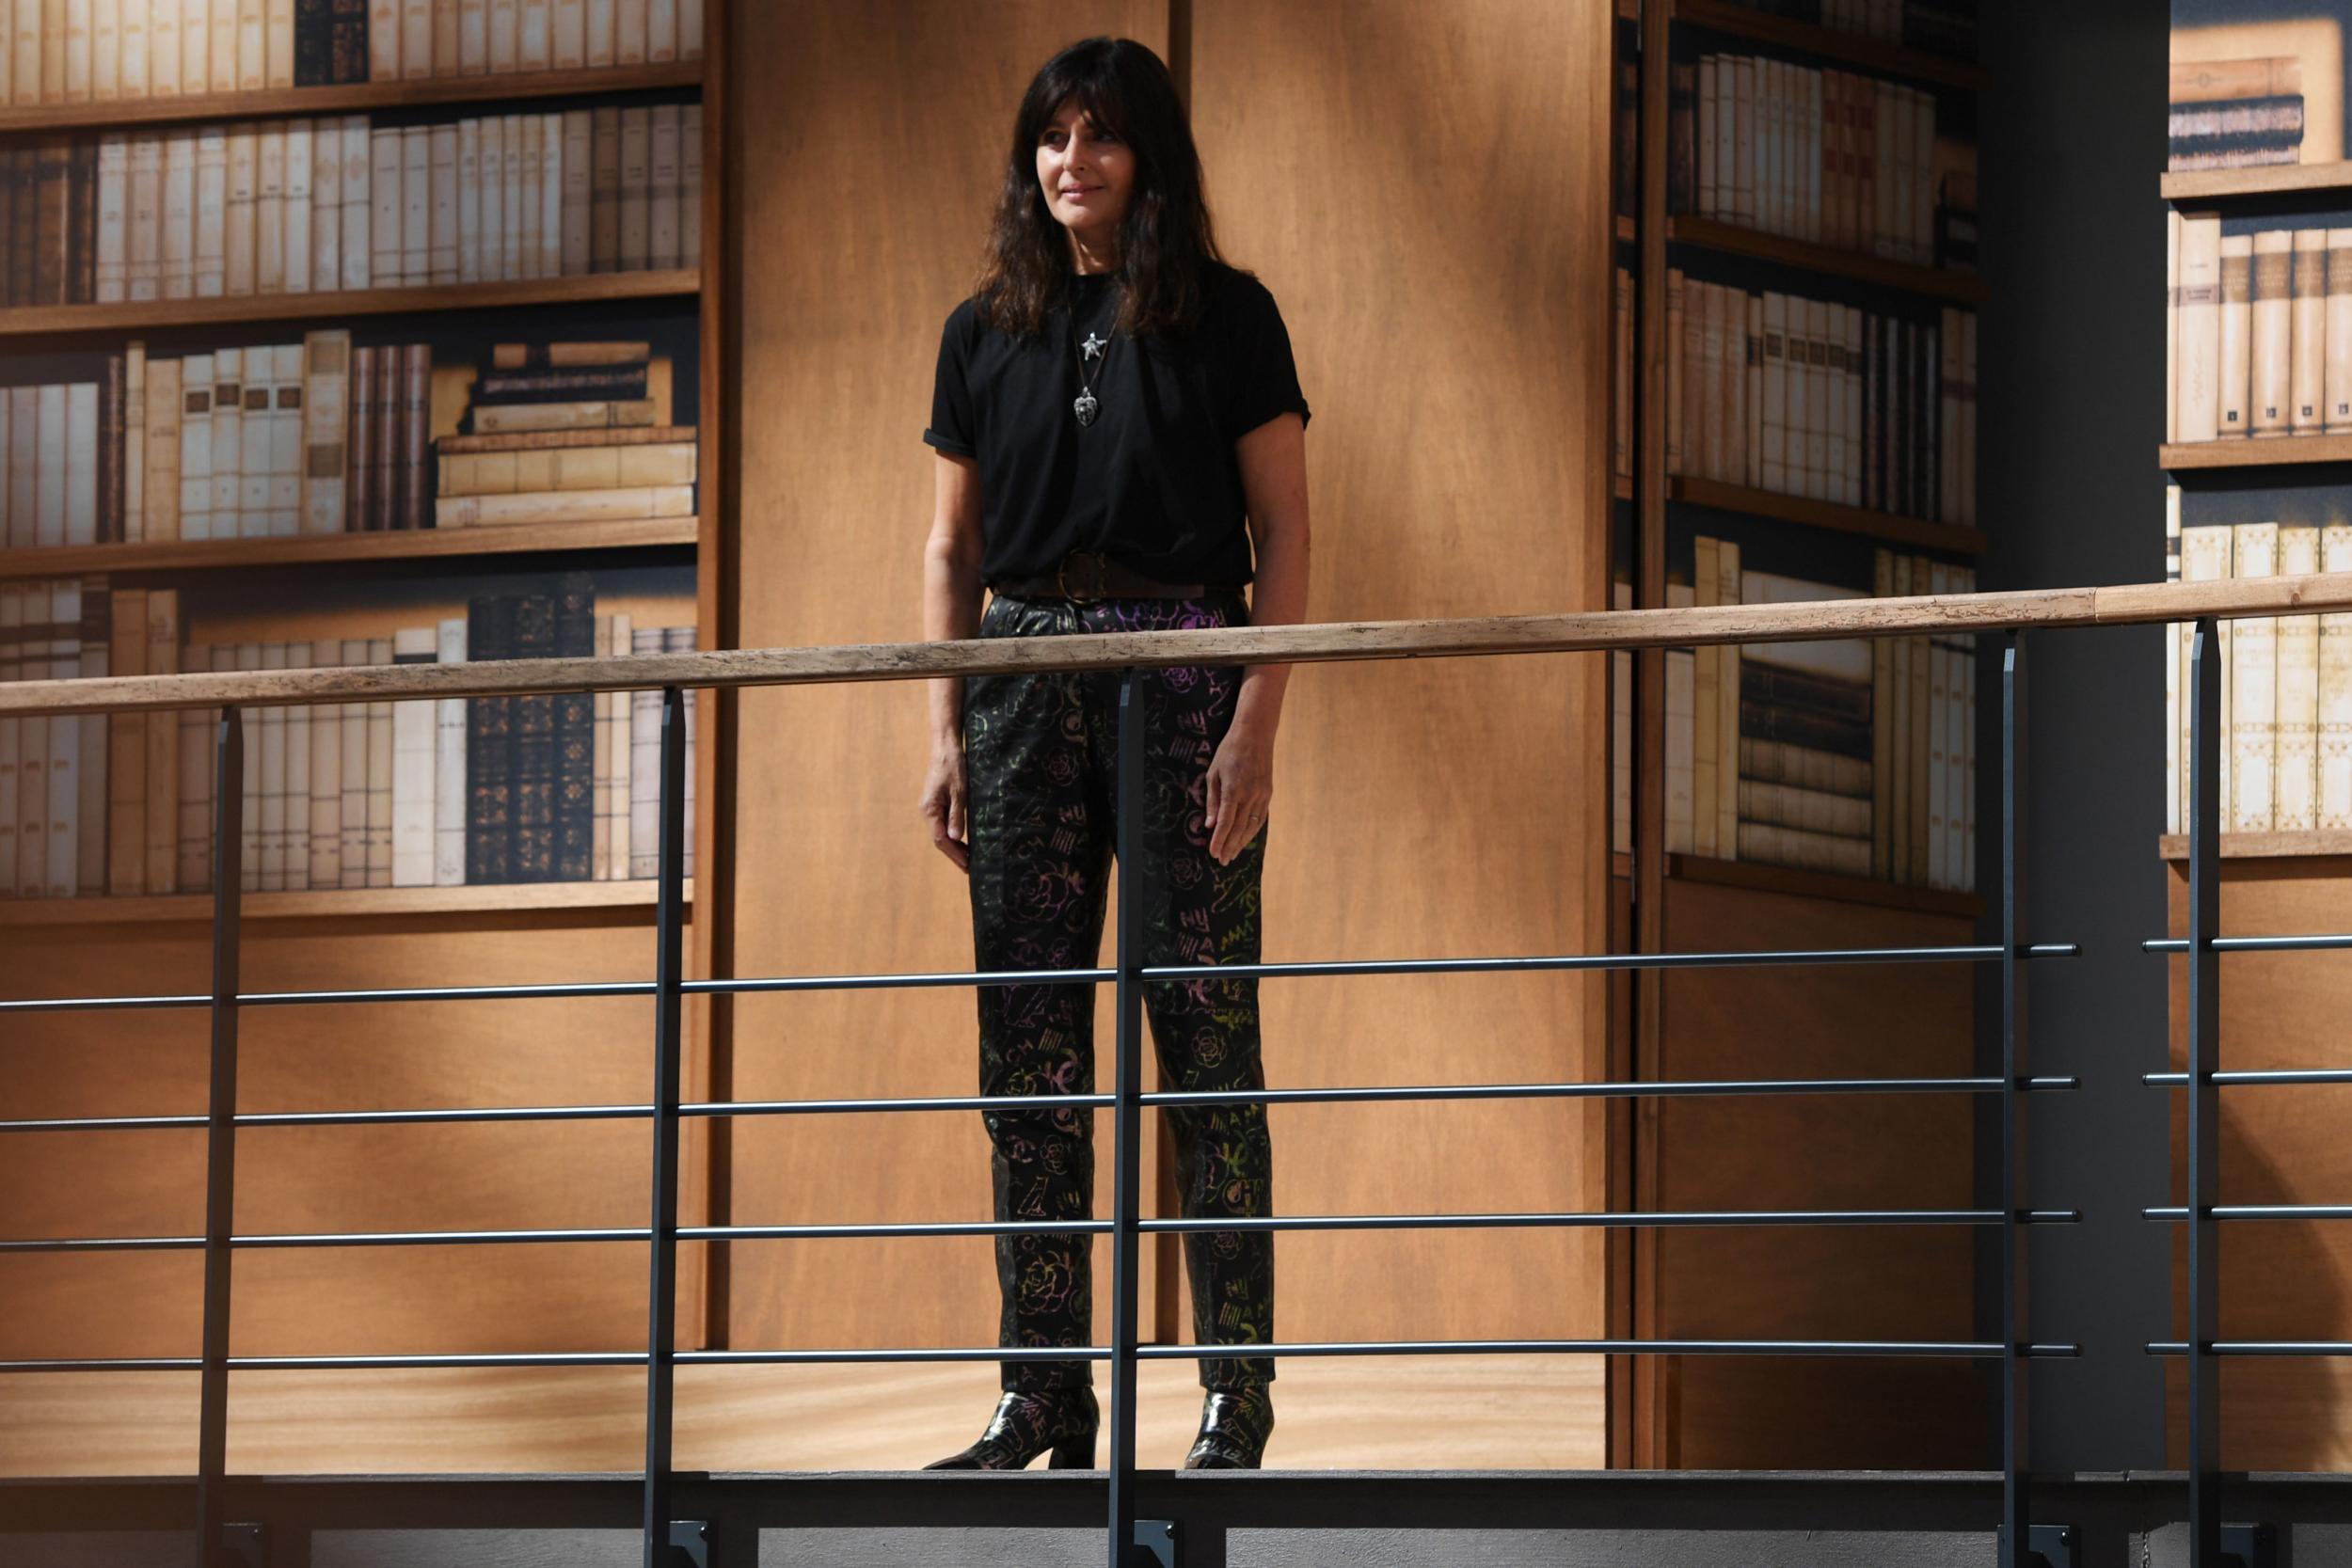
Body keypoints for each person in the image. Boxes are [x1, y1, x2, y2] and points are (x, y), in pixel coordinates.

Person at [915, 35, 1311, 1472]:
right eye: (1050, 138)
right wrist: (946, 729)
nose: (1070, 161)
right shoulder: (981, 330)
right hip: (1018, 682)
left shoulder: (1233, 317)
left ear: (1150, 157)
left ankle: (1236, 1393)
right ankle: (1043, 1396)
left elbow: (1290, 538)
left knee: (1206, 1037)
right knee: (1025, 1048)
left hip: (1187, 674)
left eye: (1099, 137)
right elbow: (952, 551)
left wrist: (1257, 716)